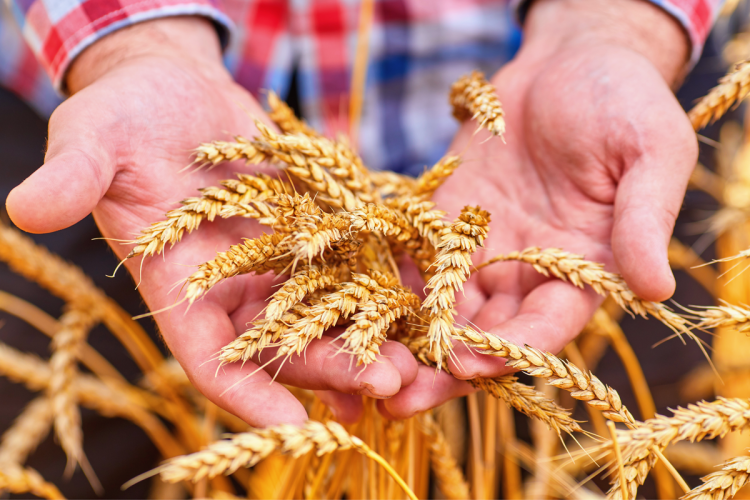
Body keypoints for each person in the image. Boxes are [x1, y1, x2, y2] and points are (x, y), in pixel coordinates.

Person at [3, 0, 713, 427]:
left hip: (551, 151)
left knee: (594, 455)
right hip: (162, 161)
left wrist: (614, 25)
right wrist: (133, 43)